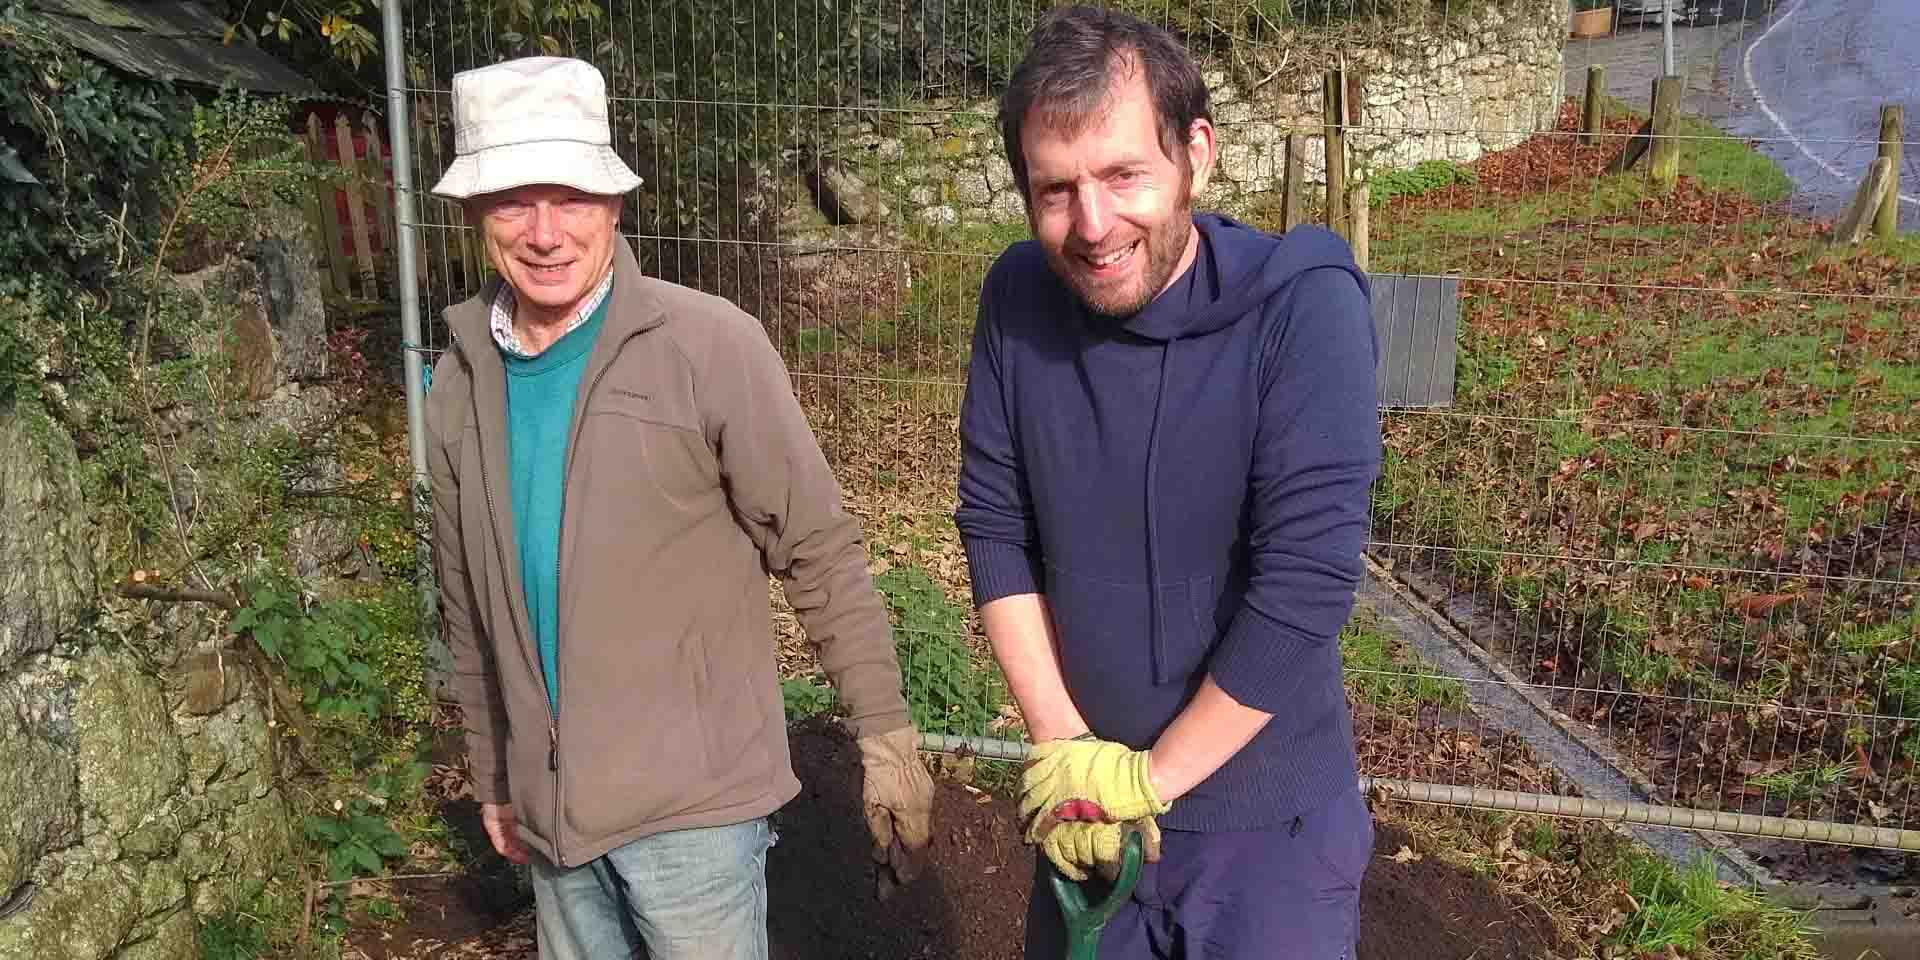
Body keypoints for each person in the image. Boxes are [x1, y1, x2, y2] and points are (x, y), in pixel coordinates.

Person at [423, 55, 935, 960]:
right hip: (554, 823)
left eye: (571, 197)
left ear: (615, 204)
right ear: (474, 214)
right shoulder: (460, 379)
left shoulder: (708, 348)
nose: (546, 233)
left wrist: (885, 733)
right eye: (513, 201)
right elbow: (467, 603)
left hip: (694, 816)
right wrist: (494, 770)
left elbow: (816, 546)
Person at [953, 7, 1381, 958]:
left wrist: (1149, 781)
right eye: (1055, 190)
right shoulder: (1019, 300)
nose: (1093, 226)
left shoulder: (1301, 308)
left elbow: (1304, 586)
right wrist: (1070, 761)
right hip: (1092, 821)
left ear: (1197, 152)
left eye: (1122, 176)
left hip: (1267, 839)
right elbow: (993, 526)